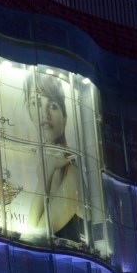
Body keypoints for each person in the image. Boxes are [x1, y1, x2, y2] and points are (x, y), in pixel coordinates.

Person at [26, 73, 85, 243]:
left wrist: (49, 170)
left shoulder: (72, 169)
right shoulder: (47, 161)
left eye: (52, 105)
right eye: (36, 103)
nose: (45, 114)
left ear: (64, 118)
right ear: (30, 113)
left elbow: (35, 232)